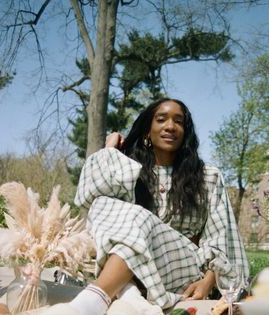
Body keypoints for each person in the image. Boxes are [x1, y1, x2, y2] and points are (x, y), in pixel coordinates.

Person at [42, 98, 249, 315]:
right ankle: (127, 297)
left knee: (138, 218)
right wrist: (110, 149)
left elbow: (221, 237)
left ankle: (90, 304)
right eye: (161, 120)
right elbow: (91, 197)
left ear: (185, 132)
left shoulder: (208, 176)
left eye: (178, 122)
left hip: (183, 267)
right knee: (106, 206)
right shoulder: (129, 171)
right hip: (134, 266)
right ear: (147, 130)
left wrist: (208, 282)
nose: (170, 126)